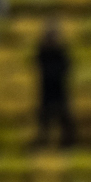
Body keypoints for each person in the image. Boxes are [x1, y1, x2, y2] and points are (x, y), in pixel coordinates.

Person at [36, 20, 75, 148]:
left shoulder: (61, 51)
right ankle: (43, 143)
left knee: (64, 118)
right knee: (45, 119)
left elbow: (67, 68)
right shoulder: (43, 51)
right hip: (47, 90)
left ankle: (67, 143)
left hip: (59, 89)